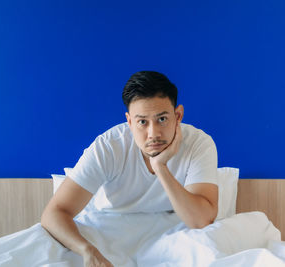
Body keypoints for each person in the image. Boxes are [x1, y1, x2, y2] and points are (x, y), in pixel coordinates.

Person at [41, 71, 219, 267]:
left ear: (178, 116)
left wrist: (160, 167)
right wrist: (87, 250)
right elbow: (53, 213)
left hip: (172, 234)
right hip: (106, 228)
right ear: (129, 121)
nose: (153, 134)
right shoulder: (109, 147)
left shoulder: (199, 144)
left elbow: (201, 221)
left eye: (162, 119)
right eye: (142, 122)